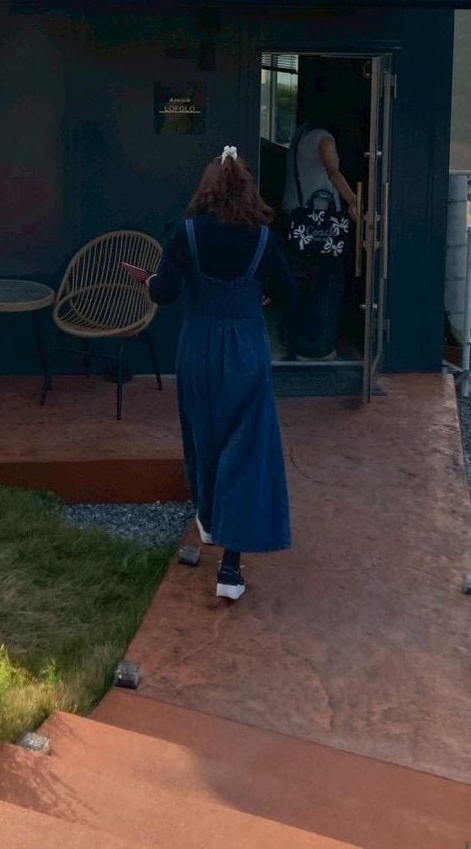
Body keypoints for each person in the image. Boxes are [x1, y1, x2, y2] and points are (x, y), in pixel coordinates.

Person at [125, 146, 296, 602]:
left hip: (198, 349)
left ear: (206, 188)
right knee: (246, 449)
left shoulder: (186, 233)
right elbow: (288, 290)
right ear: (247, 189)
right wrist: (259, 297)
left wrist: (148, 281)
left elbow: (164, 294)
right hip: (247, 349)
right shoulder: (263, 239)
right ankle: (231, 568)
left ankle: (208, 517)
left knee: (204, 437)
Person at [282, 124, 359, 361]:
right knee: (326, 286)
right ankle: (317, 347)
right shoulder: (323, 138)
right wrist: (354, 201)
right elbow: (333, 172)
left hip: (297, 220)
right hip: (320, 223)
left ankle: (293, 339)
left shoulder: (300, 134)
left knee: (301, 284)